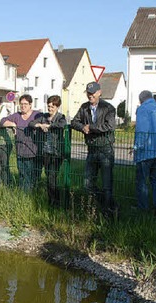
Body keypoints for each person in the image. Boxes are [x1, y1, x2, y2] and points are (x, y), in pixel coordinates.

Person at [71, 81, 117, 215]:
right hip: (91, 149)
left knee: (107, 184)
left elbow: (109, 126)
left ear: (99, 92)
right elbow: (74, 122)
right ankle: (109, 205)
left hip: (105, 149)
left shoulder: (108, 108)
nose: (90, 96)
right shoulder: (84, 107)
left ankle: (108, 211)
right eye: (88, 93)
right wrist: (82, 127)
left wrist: (90, 127)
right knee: (87, 184)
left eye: (93, 93)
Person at [133, 90, 156, 214]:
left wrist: (137, 147)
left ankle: (142, 207)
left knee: (142, 180)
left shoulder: (143, 109)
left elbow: (142, 131)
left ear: (141, 100)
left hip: (146, 151)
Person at [30, 95, 67, 206]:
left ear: (57, 107)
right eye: (49, 106)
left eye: (52, 106)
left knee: (52, 176)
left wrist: (49, 126)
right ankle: (52, 200)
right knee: (48, 175)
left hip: (57, 152)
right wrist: (40, 125)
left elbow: (62, 125)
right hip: (45, 151)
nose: (50, 109)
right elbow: (31, 123)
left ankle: (55, 201)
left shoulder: (61, 117)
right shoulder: (43, 117)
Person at [1, 94, 40, 192]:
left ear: (31, 104)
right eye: (21, 104)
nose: (23, 106)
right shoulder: (16, 116)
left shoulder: (37, 115)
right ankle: (23, 195)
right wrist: (12, 124)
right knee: (22, 175)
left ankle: (29, 195)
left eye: (25, 104)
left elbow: (46, 121)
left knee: (32, 176)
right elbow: (2, 121)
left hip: (33, 152)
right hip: (20, 151)